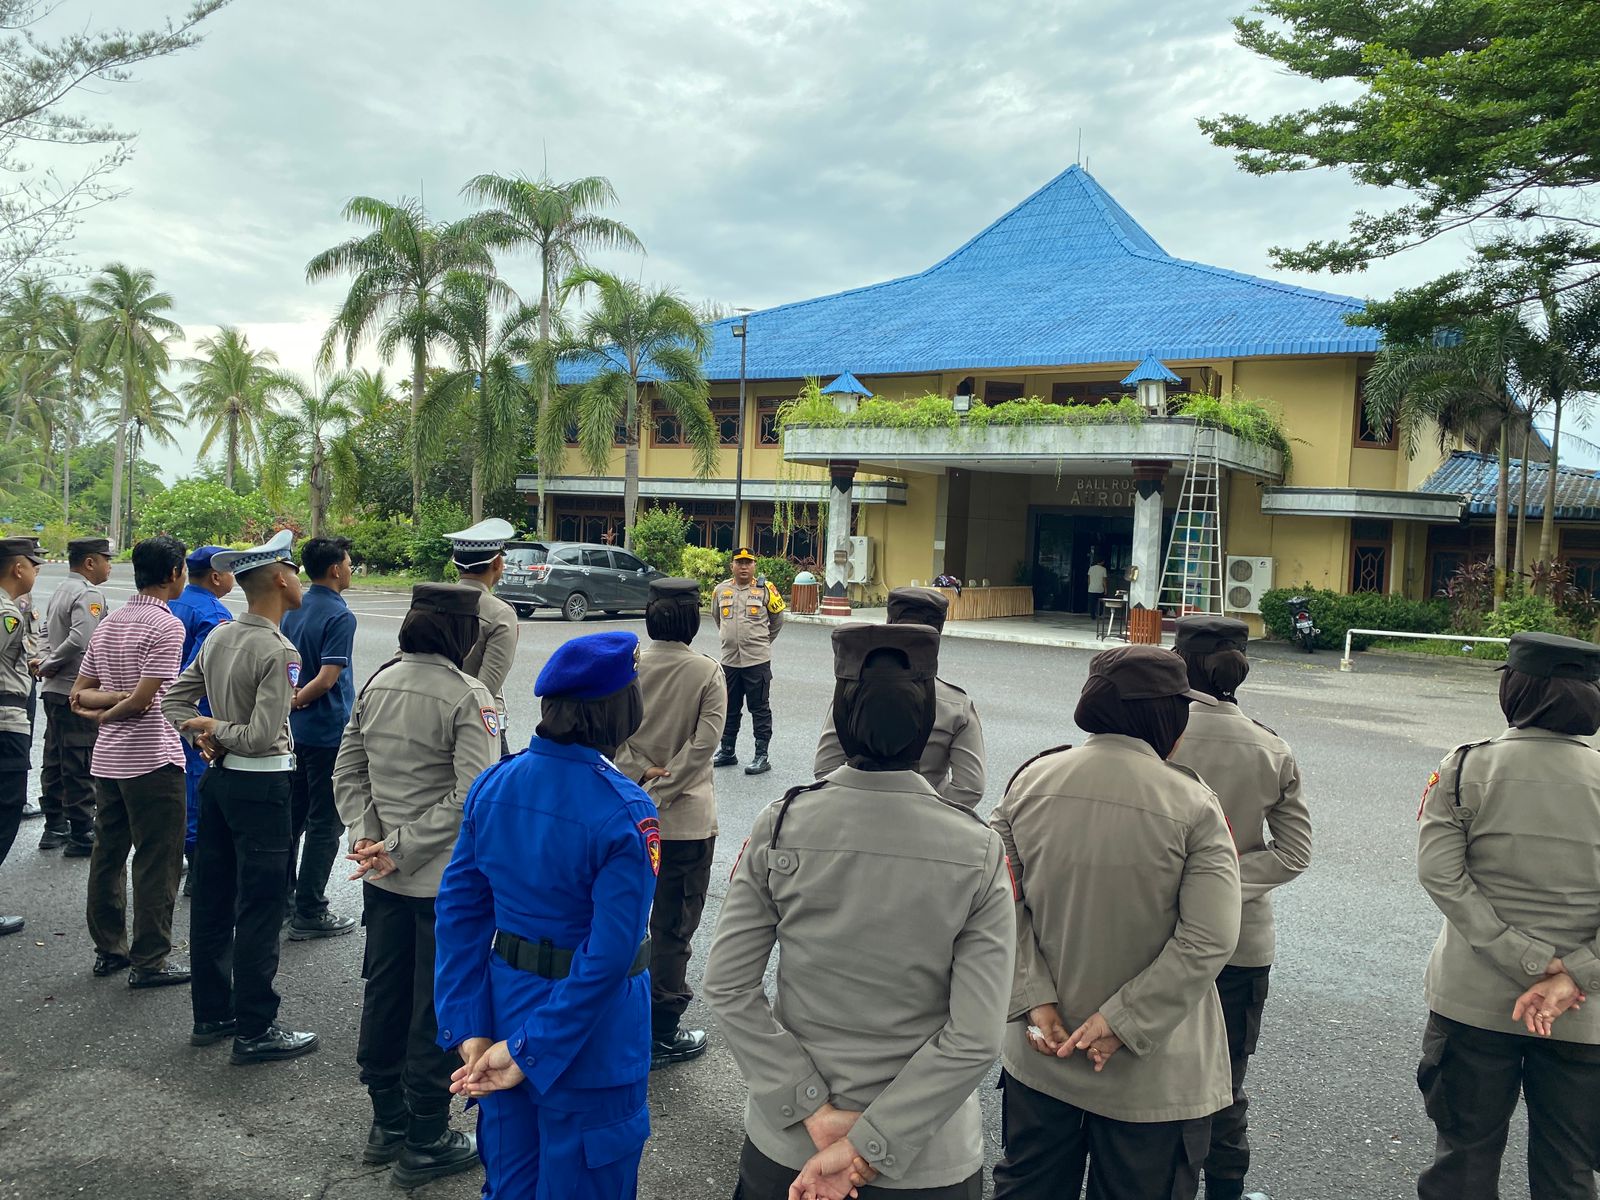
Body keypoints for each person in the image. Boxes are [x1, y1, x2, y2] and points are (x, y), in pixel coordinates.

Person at [704, 621, 1015, 1200]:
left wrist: (813, 1111)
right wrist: (870, 1142)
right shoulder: (977, 848)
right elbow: (975, 1036)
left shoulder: (783, 822)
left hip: (794, 1144)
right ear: (926, 729)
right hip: (925, 1158)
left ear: (841, 722)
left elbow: (726, 987)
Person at [989, 644, 1240, 1200]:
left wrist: (1035, 996)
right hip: (1151, 1073)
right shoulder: (1194, 805)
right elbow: (1211, 936)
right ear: (1165, 718)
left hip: (1041, 1052)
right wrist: (1123, 1020)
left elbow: (997, 904)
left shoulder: (1030, 781)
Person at [436, 630, 657, 1200]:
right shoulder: (626, 810)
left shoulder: (495, 782)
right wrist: (532, 1047)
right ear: (617, 709)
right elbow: (607, 958)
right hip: (591, 1040)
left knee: (509, 1183)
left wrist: (470, 1027)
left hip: (504, 1011)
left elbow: (460, 910)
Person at [1415, 630, 1600, 1200]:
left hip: (1474, 1000)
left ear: (1516, 691)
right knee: (1568, 1169)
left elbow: (1441, 874)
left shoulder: (1467, 768)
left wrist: (1521, 956)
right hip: (1583, 1011)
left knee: (1464, 1161)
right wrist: (1573, 974)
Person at [334, 583, 497, 1188]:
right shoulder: (466, 694)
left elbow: (348, 768)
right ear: (460, 632)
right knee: (437, 1000)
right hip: (441, 881)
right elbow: (471, 796)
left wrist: (369, 837)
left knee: (384, 989)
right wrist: (396, 850)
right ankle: (426, 1134)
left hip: (382, 874)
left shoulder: (379, 681)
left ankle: (386, 1121)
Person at [162, 529, 319, 1065]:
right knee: (260, 906)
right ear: (279, 578)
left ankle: (212, 1014)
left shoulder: (222, 636)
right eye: (293, 571)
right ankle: (256, 1026)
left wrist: (202, 733)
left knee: (213, 898)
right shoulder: (279, 648)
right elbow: (257, 734)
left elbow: (173, 701)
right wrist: (216, 728)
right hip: (262, 783)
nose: (298, 580)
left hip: (221, 782)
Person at [1168, 615, 1311, 1200]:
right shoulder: (1270, 745)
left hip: (1158, 932)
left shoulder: (1158, 733)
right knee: (1226, 1080)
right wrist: (1224, 879)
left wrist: (1188, 881)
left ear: (1179, 663)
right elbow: (1295, 853)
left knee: (1159, 1077)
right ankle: (1225, 1189)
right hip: (1241, 940)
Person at [613, 578, 728, 1068]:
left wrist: (639, 776)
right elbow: (706, 744)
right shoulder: (707, 672)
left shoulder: (627, 666)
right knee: (673, 926)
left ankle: (614, 1015)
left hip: (626, 814)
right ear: (692, 620)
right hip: (685, 821)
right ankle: (661, 1029)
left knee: (621, 918)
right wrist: (666, 784)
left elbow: (610, 731)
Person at [67, 535, 191, 987]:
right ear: (175, 572)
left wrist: (102, 707)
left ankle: (109, 948)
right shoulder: (166, 626)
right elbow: (143, 701)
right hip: (152, 759)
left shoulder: (112, 620)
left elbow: (80, 691)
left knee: (108, 854)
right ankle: (151, 959)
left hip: (109, 762)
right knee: (158, 860)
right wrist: (115, 708)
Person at [813, 586, 986, 808]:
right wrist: (933, 813)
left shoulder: (853, 691)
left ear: (888, 623)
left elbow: (825, 766)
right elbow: (970, 786)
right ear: (937, 635)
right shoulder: (957, 705)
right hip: (926, 823)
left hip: (853, 812)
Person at [281, 535, 358, 941]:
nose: (350, 569)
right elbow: (328, 678)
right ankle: (311, 909)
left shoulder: (294, 606)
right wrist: (298, 700)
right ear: (334, 569)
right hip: (327, 733)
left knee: (291, 818)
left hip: (294, 736)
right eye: (347, 563)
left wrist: (287, 704)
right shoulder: (340, 616)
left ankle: (284, 899)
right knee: (325, 822)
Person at [35, 535, 112, 855]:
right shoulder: (87, 593)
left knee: (54, 758)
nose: (110, 565)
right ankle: (81, 832)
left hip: (55, 689)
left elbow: (44, 632)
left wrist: (43, 661)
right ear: (90, 562)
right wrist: (51, 663)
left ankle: (54, 824)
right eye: (107, 559)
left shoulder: (62, 590)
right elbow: (83, 639)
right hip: (75, 690)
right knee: (79, 760)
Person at [167, 546, 235, 895]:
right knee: (198, 787)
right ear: (216, 576)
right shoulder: (213, 613)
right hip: (197, 716)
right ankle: (199, 866)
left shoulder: (174, 601)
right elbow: (198, 672)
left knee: (178, 786)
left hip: (165, 711)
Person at [444, 518, 518, 754]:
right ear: (497, 563)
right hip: (477, 726)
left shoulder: (431, 602)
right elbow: (486, 687)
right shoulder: (500, 613)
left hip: (429, 718)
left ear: (456, 563)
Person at [0, 536, 44, 937]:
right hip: (4, 723)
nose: (36, 572)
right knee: (6, 806)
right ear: (18, 568)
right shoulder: (6, 613)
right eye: (34, 565)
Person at [712, 547, 785, 776]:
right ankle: (727, 751)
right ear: (731, 565)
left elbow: (777, 620)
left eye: (748, 562)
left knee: (759, 708)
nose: (743, 567)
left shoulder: (766, 589)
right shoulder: (720, 590)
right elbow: (717, 618)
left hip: (757, 660)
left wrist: (761, 642)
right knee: (729, 707)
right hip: (730, 660)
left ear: (754, 566)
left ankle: (761, 755)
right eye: (739, 562)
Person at [1086, 554, 1108, 621]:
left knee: (1092, 603)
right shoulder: (1103, 569)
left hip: (1091, 589)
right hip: (1100, 589)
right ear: (1102, 562)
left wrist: (1089, 586)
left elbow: (1089, 579)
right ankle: (1100, 614)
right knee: (1100, 603)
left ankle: (1092, 616)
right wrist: (1106, 589)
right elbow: (1104, 580)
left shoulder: (1091, 568)